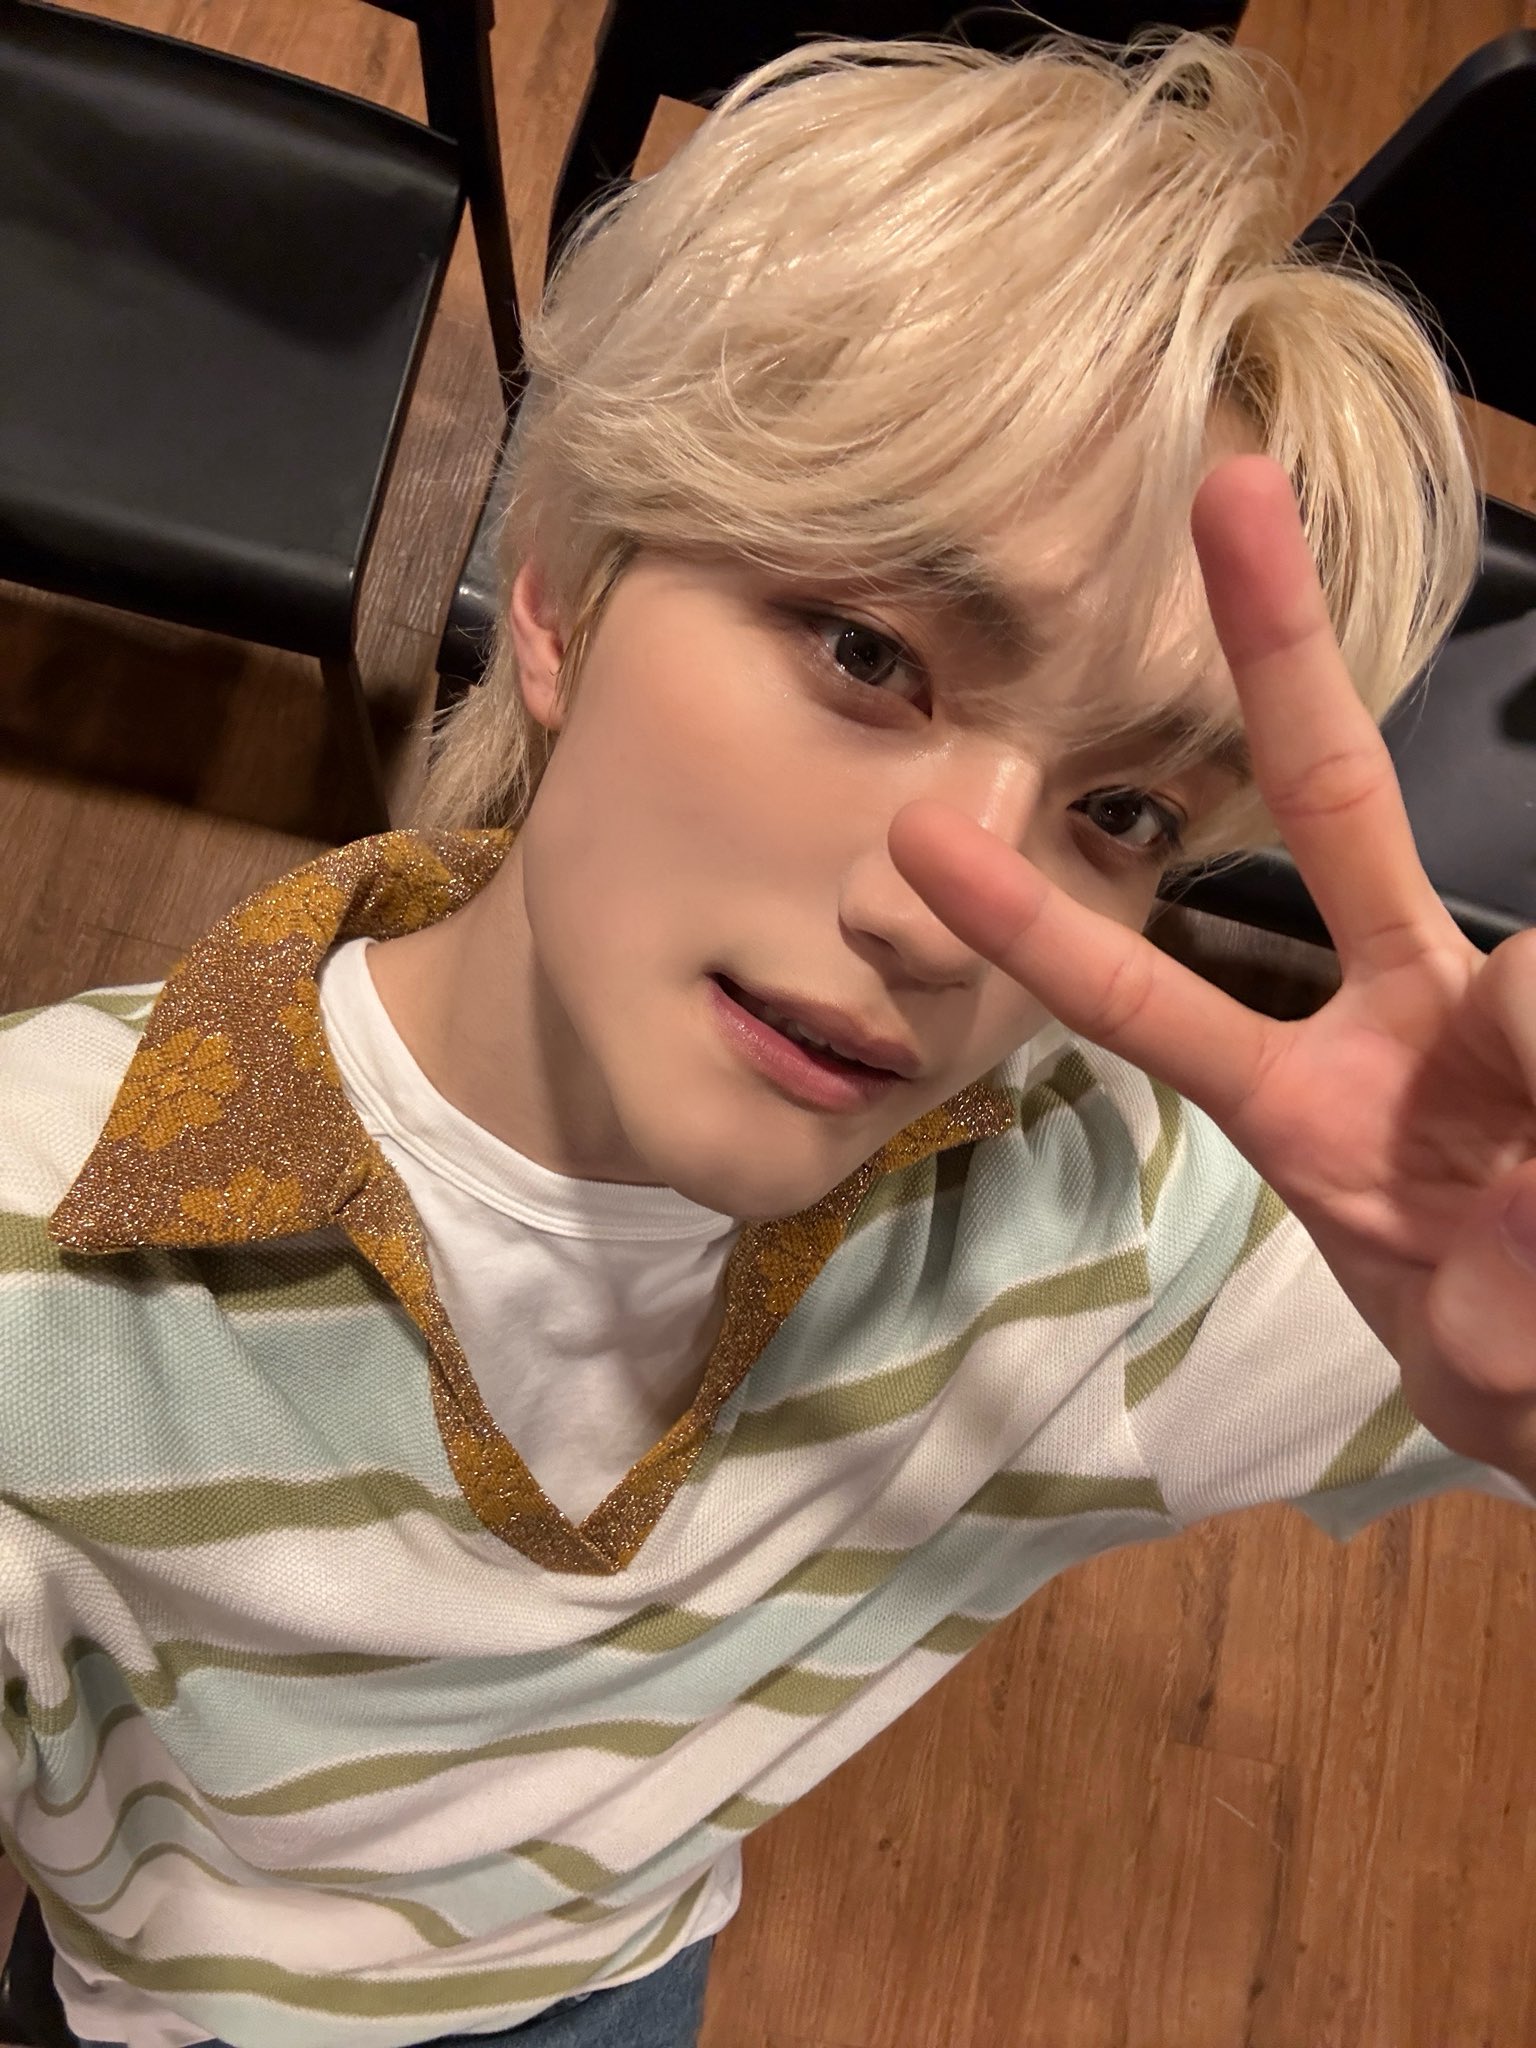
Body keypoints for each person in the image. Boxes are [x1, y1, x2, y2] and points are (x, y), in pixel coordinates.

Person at [2, 22, 1533, 2048]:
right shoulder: (48, 1259)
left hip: (627, 1962)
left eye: (1124, 811)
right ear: (560, 588)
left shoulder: (1102, 1246)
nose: (945, 904)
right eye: (870, 652)